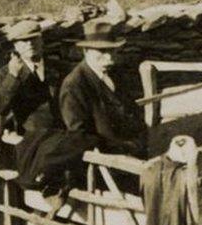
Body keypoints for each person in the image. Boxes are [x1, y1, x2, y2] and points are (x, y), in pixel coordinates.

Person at [0, 20, 89, 193]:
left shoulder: (60, 69)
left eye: (34, 39)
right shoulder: (6, 74)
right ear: (16, 46)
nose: (30, 44)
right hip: (32, 141)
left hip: (63, 138)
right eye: (24, 41)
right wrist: (13, 77)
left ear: (42, 41)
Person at [59, 18, 148, 159]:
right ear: (85, 51)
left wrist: (140, 140)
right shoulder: (74, 85)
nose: (109, 57)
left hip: (135, 153)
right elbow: (79, 135)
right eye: (101, 51)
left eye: (112, 50)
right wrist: (120, 148)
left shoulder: (115, 73)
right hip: (105, 163)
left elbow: (132, 111)